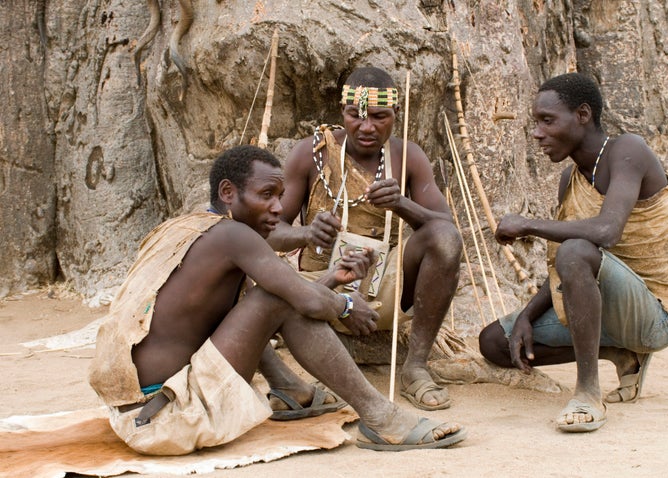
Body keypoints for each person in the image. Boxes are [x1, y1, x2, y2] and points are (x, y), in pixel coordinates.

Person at [88, 145, 466, 455]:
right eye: (266, 195)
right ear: (227, 193)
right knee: (278, 299)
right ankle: (382, 418)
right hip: (167, 419)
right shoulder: (234, 236)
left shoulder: (192, 229)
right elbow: (301, 301)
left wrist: (334, 278)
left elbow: (262, 304)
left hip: (139, 415)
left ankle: (292, 392)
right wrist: (347, 305)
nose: (276, 208)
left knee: (262, 298)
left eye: (280, 197)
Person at [479, 73, 668, 432]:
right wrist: (528, 315)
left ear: (582, 115)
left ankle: (587, 392)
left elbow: (606, 232)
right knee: (496, 343)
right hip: (607, 311)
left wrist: (528, 224)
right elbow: (570, 268)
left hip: (655, 316)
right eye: (536, 123)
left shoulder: (628, 151)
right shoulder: (571, 179)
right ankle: (618, 353)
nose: (537, 133)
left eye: (547, 120)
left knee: (576, 249)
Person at [266, 67, 463, 411]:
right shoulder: (311, 153)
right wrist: (306, 232)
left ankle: (415, 367)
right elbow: (269, 231)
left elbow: (445, 230)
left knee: (444, 237)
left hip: (384, 287)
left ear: (395, 116)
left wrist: (402, 204)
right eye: (355, 116)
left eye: (378, 116)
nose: (366, 127)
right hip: (317, 287)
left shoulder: (408, 157)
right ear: (342, 113)